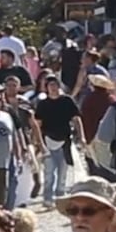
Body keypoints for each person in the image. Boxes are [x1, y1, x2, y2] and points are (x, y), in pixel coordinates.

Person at [33, 75, 84, 208]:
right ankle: (48, 197)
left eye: (55, 85)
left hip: (65, 140)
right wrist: (37, 142)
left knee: (63, 171)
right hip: (47, 141)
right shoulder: (43, 104)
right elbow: (37, 123)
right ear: (47, 88)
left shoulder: (67, 101)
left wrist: (81, 136)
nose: (53, 88)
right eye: (50, 86)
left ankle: (60, 196)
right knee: (49, 172)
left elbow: (76, 119)